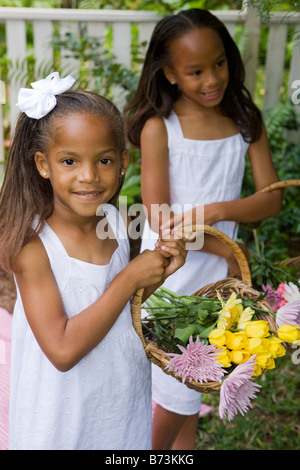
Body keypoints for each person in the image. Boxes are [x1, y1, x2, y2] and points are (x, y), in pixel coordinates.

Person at [0, 72, 187, 450]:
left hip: (118, 395)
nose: (88, 176)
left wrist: (157, 275)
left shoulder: (114, 221)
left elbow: (113, 304)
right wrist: (131, 277)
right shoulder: (33, 246)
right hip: (62, 414)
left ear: (123, 161)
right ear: (42, 164)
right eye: (69, 161)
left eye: (103, 160)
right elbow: (62, 350)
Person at [124, 9, 282, 450]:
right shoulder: (161, 128)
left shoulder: (246, 122)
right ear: (170, 74)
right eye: (195, 71)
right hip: (172, 274)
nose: (212, 79)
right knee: (178, 392)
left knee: (188, 391)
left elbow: (272, 199)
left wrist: (214, 210)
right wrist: (222, 250)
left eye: (219, 64)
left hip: (219, 279)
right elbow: (158, 219)